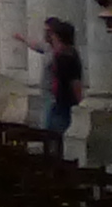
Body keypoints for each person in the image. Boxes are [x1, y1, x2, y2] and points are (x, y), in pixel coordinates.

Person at [13, 19, 87, 153]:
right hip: (52, 97)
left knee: (54, 131)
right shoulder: (52, 50)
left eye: (50, 32)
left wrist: (79, 100)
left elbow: (74, 81)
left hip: (60, 100)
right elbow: (36, 46)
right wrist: (22, 38)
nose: (48, 35)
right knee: (49, 131)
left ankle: (54, 159)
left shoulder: (67, 56)